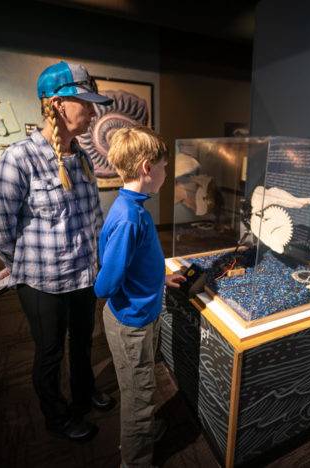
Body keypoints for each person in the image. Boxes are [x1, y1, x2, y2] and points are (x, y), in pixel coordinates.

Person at [0, 61, 114, 442]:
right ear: (56, 104)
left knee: (83, 340)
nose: (93, 112)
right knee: (49, 352)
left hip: (83, 275)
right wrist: (22, 267)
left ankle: (83, 391)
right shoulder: (18, 159)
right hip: (42, 284)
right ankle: (56, 417)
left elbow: (92, 218)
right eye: (85, 103)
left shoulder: (84, 157)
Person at [94, 126, 185, 467]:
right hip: (129, 323)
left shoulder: (132, 207)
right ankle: (136, 459)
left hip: (138, 315)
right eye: (164, 166)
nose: (166, 173)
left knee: (142, 385)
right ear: (148, 168)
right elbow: (106, 284)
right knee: (139, 397)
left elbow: (139, 261)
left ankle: (143, 431)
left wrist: (163, 277)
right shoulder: (131, 218)